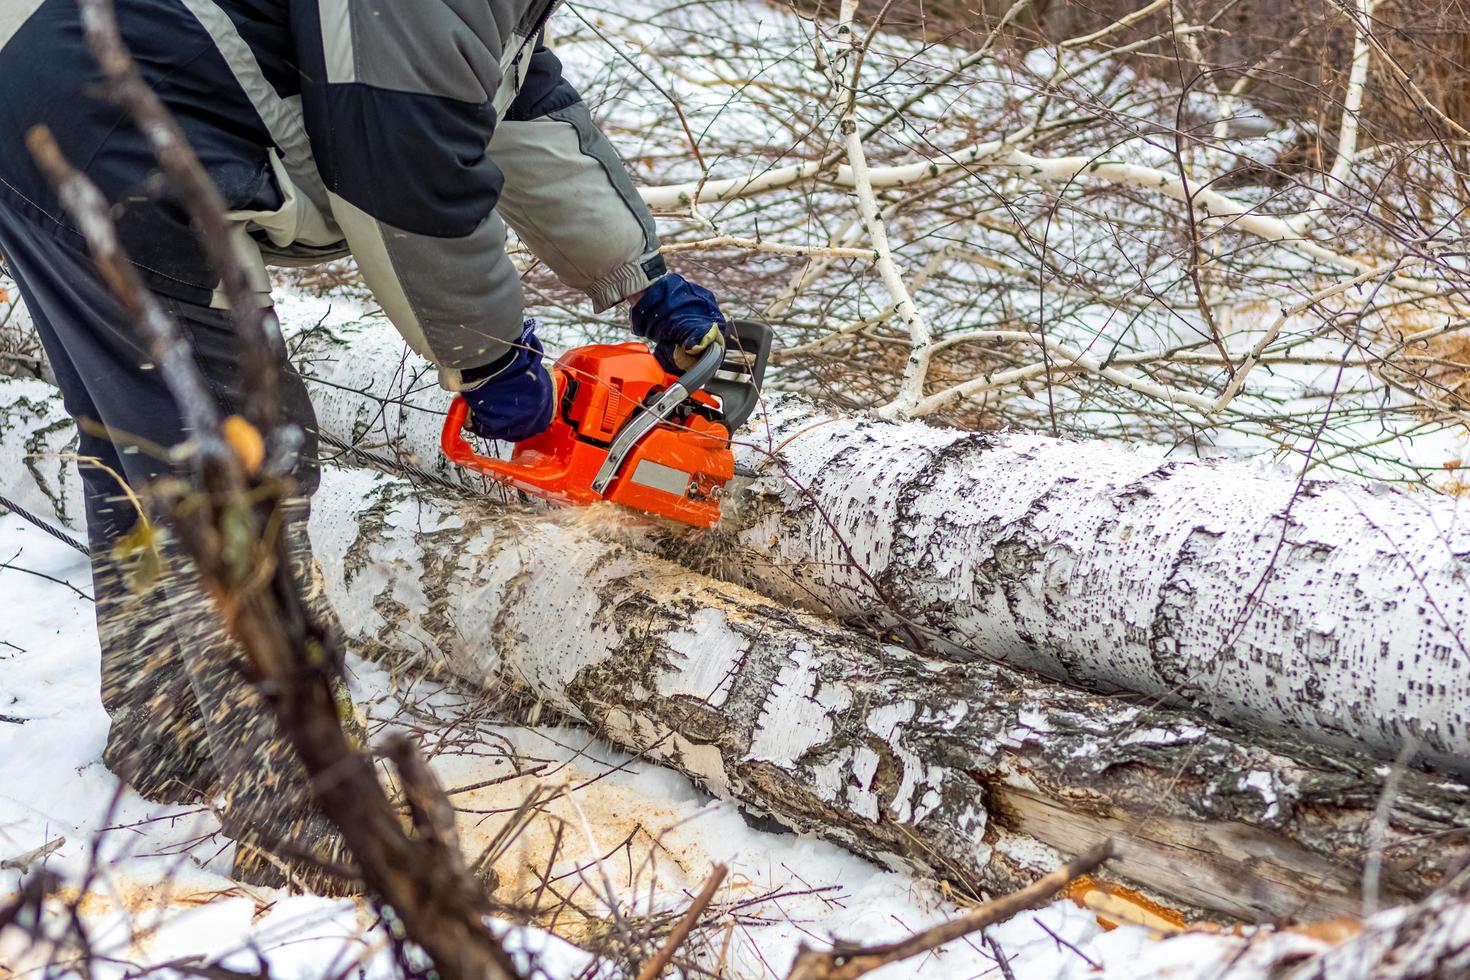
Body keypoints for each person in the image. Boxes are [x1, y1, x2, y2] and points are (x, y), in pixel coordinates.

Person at [0, 0, 727, 892]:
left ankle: (168, 730)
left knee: (150, 442)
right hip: (113, 127)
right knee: (242, 464)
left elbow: (508, 98)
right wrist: (488, 357)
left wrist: (639, 276)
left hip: (45, 91)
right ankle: (309, 823)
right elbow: (403, 159)